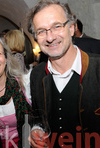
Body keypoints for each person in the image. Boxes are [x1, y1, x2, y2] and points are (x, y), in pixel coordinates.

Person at [26, 0, 100, 147]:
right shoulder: (37, 74)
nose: (50, 37)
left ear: (72, 28)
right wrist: (36, 129)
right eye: (41, 31)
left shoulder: (97, 67)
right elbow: (37, 115)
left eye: (57, 26)